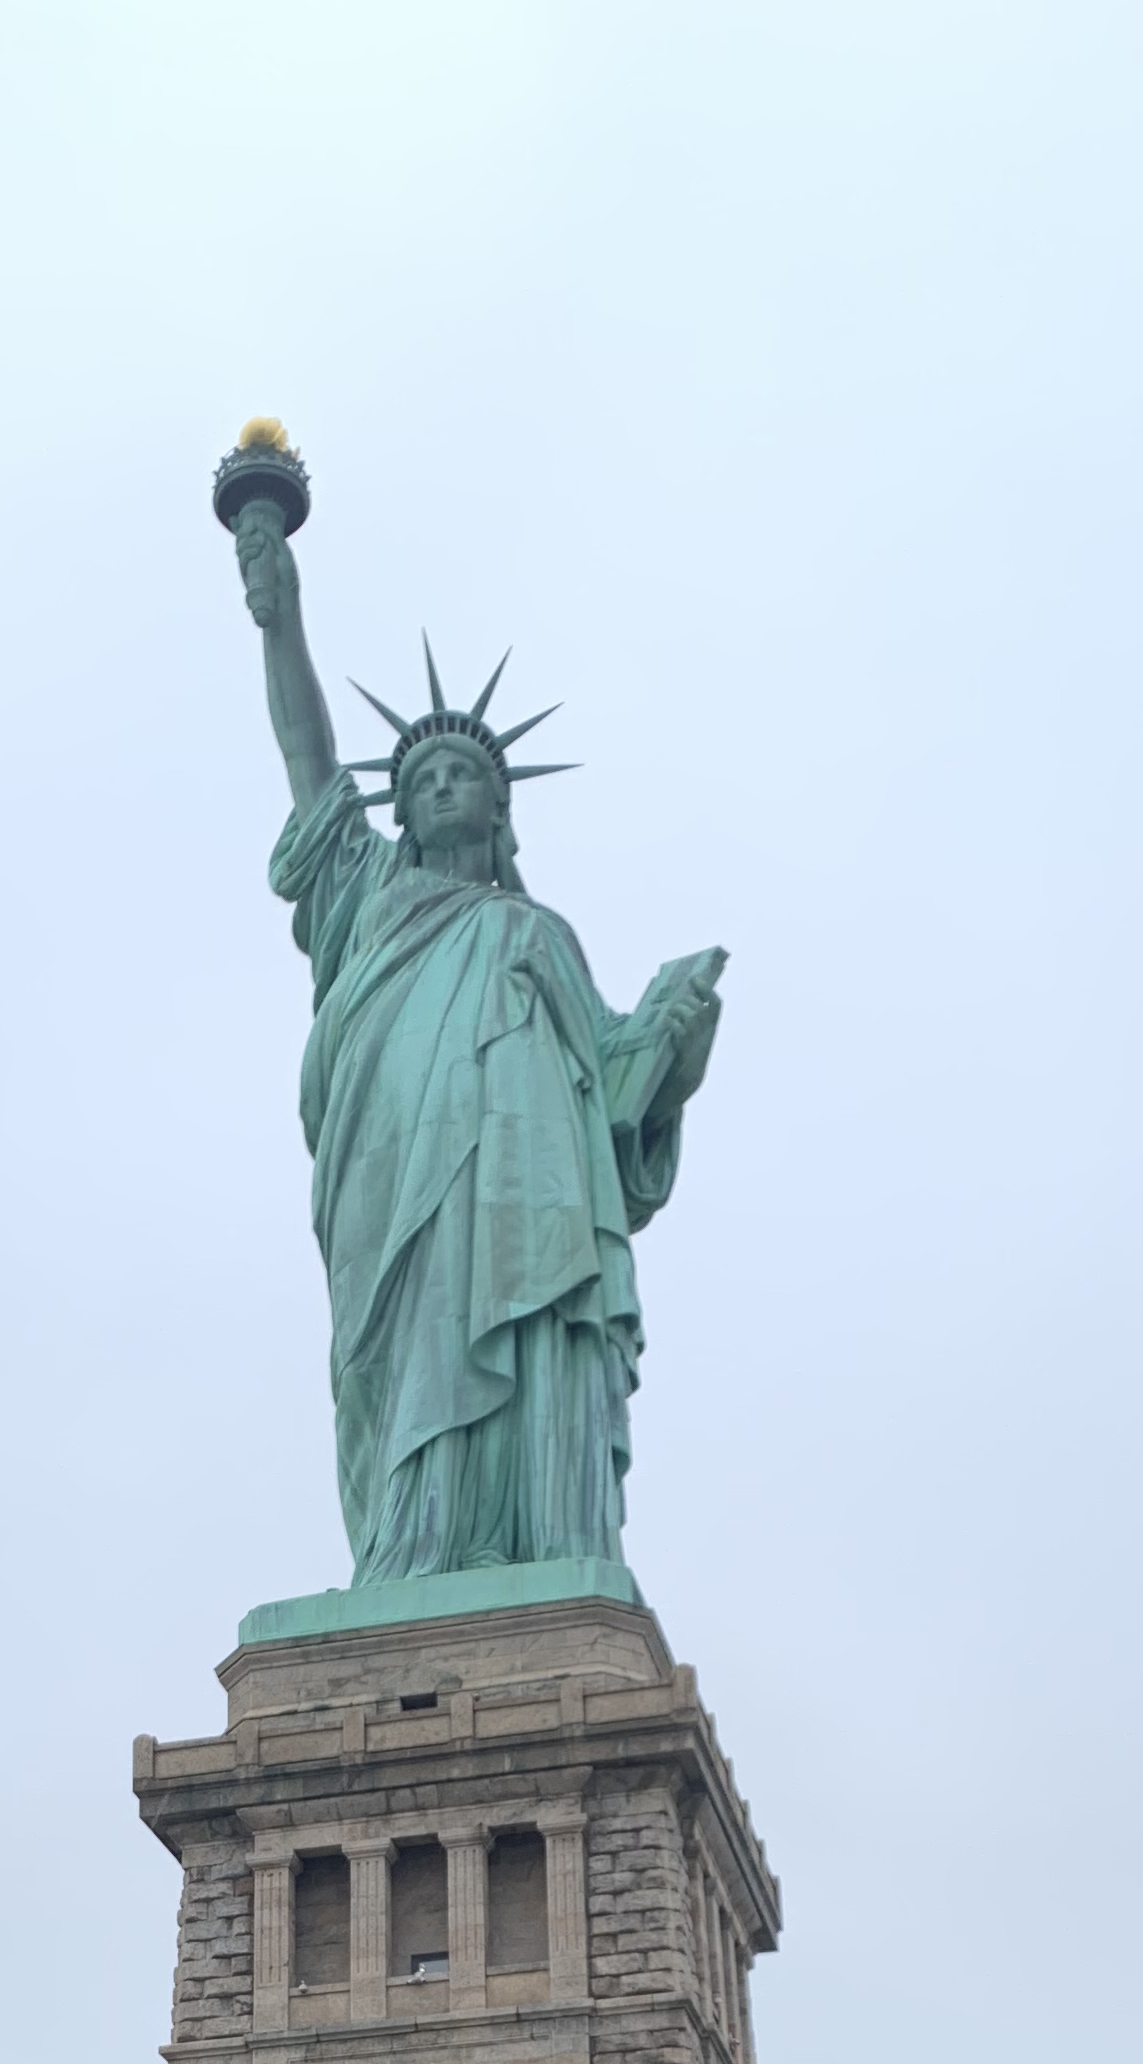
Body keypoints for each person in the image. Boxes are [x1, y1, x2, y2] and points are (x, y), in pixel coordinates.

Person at [227, 486, 727, 1587]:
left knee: (534, 1322)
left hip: (525, 1202)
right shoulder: (363, 901)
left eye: (466, 775)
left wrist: (670, 1043)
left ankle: (538, 1542)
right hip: (392, 1176)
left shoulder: (537, 936)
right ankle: (413, 1555)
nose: (445, 784)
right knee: (404, 1358)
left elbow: (610, 1103)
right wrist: (279, 617)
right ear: (397, 812)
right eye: (421, 779)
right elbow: (309, 762)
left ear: (501, 809)